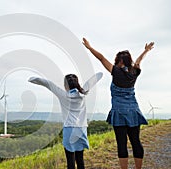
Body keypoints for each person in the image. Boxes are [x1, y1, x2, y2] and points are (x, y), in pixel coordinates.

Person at [82, 38, 154, 169]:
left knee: (122, 144)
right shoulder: (135, 72)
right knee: (136, 142)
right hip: (133, 112)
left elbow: (101, 58)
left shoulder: (115, 71)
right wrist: (146, 51)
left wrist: (90, 48)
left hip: (119, 113)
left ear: (120, 61)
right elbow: (138, 61)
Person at [28, 72, 102, 169]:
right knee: (80, 159)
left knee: (70, 160)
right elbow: (93, 80)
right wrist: (101, 73)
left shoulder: (63, 95)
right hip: (82, 129)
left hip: (69, 129)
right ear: (77, 84)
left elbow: (47, 83)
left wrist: (31, 79)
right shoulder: (82, 94)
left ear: (66, 85)